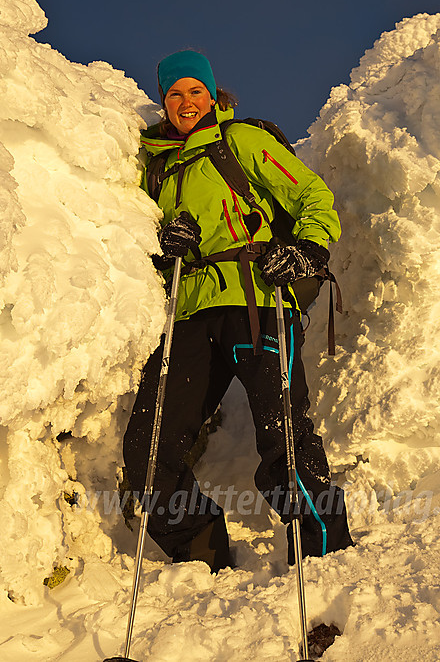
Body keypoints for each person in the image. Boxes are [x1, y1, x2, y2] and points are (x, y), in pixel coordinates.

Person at [123, 49, 353, 572]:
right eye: (175, 93)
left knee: (284, 435)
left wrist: (308, 251)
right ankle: (201, 552)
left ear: (212, 94)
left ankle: (324, 556)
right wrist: (164, 248)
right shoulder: (155, 169)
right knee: (149, 447)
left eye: (195, 91)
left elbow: (312, 196)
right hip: (189, 314)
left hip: (259, 297)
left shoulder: (241, 141)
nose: (186, 102)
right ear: (163, 102)